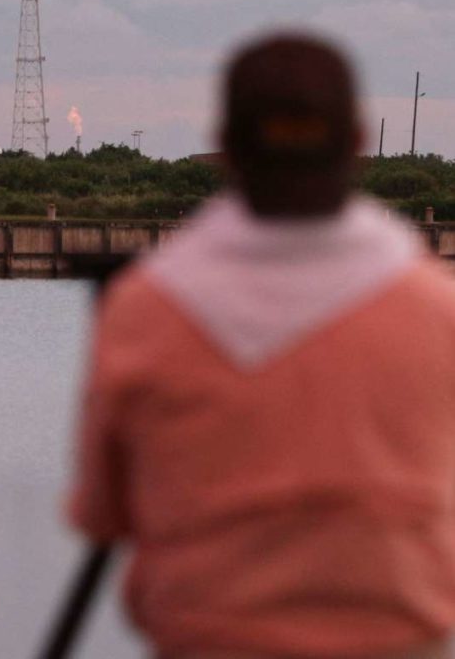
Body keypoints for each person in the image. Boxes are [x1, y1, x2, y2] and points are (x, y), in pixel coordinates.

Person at [70, 33, 455, 659]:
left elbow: (102, 515)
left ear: (226, 146)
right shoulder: (434, 306)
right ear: (358, 141)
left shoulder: (146, 308)